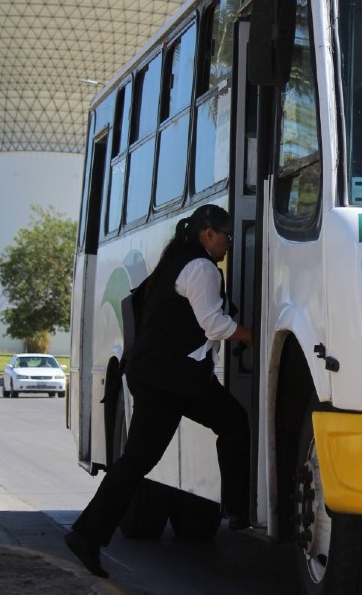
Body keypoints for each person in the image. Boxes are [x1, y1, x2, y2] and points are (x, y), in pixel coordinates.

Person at [65, 204, 254, 579]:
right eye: (227, 237)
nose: (229, 244)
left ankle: (236, 509)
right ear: (209, 234)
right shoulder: (201, 267)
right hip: (168, 382)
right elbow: (214, 324)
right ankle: (86, 535)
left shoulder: (179, 261)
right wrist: (251, 335)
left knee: (232, 422)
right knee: (139, 460)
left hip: (175, 378)